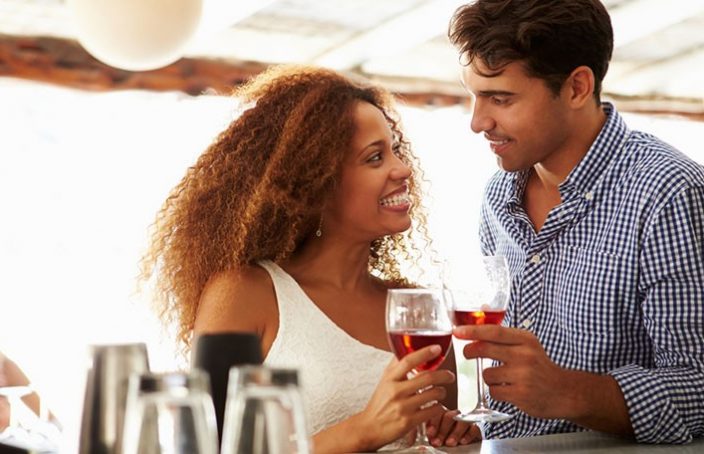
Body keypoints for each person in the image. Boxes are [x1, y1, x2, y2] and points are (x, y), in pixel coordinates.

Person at [140, 65, 480, 452]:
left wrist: (454, 436)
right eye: (374, 158)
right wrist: (363, 430)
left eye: (395, 150)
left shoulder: (417, 313)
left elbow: (427, 441)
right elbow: (206, 447)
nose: (402, 170)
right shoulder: (244, 293)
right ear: (316, 184)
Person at [446, 0, 704, 444]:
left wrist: (569, 393)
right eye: (473, 94)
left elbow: (698, 385)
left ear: (577, 87)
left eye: (500, 98)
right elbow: (517, 393)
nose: (477, 121)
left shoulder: (667, 193)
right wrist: (477, 424)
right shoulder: (496, 196)